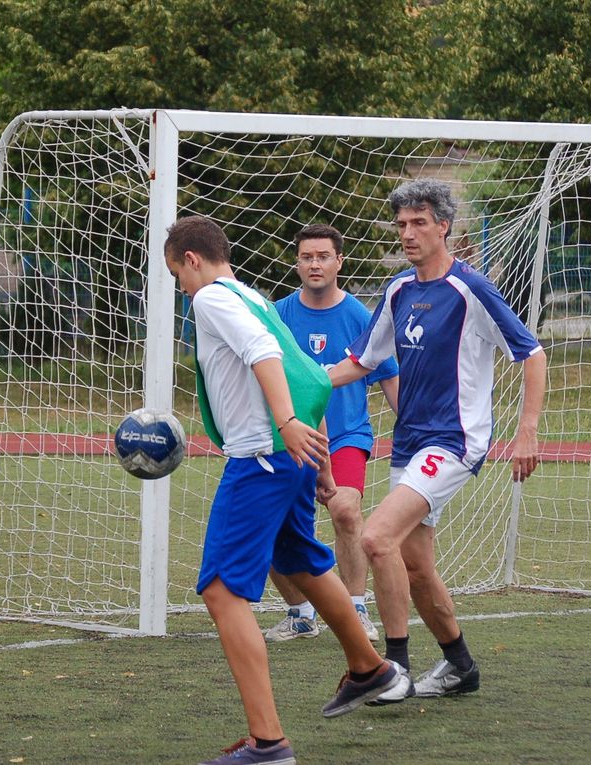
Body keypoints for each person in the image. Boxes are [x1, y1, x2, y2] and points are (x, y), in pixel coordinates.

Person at [164, 215, 406, 765]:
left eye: (177, 272)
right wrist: (316, 454)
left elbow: (265, 357)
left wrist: (288, 422)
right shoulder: (255, 296)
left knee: (222, 592)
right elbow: (311, 375)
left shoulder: (212, 300)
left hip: (261, 459)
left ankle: (267, 744)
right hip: (292, 457)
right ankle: (370, 668)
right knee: (301, 561)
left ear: (192, 260)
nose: (180, 285)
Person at [327, 178, 547, 704]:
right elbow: (361, 361)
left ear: (443, 226)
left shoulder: (470, 289)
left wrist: (527, 431)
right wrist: (299, 383)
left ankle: (391, 672)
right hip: (409, 444)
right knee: (415, 566)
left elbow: (532, 354)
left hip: (454, 442)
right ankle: (460, 666)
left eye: (419, 222)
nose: (408, 233)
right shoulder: (399, 290)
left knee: (376, 538)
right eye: (402, 224)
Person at [264, 223, 399, 644]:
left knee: (344, 510)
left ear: (339, 261)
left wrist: (415, 429)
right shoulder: (279, 314)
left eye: (323, 256)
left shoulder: (361, 315)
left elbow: (389, 375)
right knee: (263, 525)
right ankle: (301, 613)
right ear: (297, 263)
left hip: (345, 437)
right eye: (307, 257)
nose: (315, 264)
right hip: (291, 437)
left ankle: (356, 607)